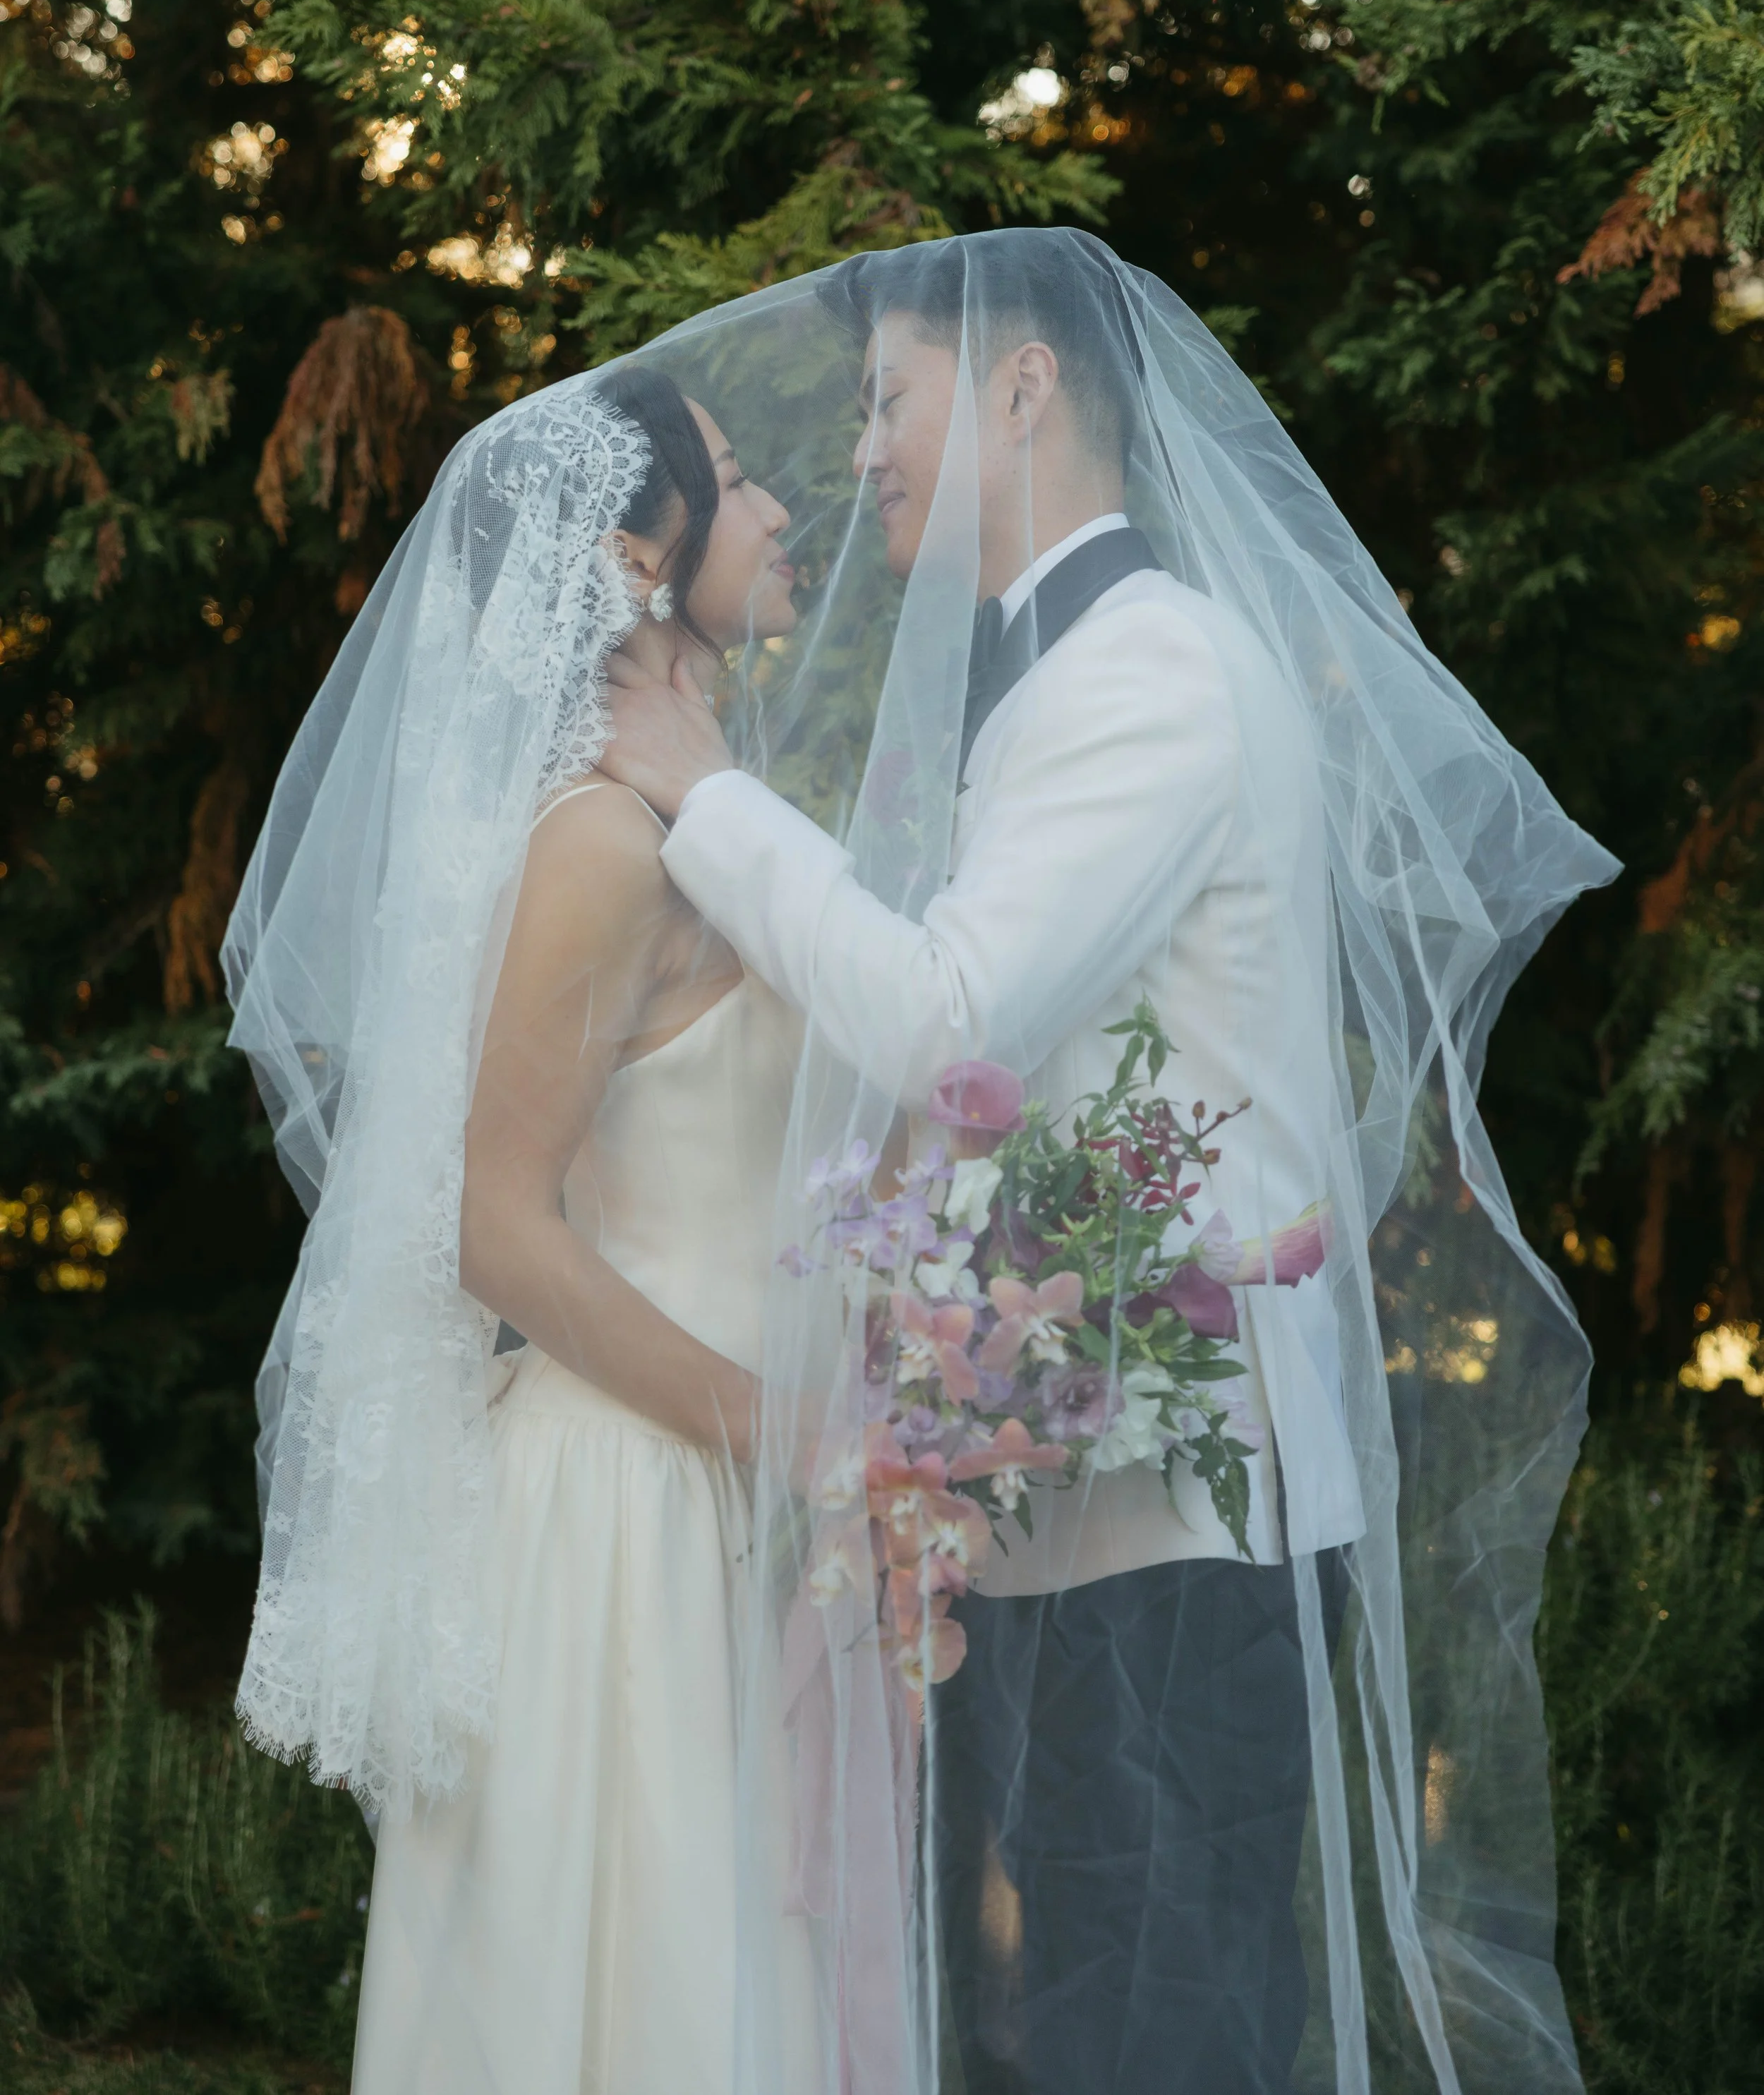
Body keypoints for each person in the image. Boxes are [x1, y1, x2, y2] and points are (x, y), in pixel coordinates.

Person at [594, 228, 1616, 2095]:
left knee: (1141, 2027)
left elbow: (947, 1023)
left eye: (890, 398)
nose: (866, 450)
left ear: (1022, 386)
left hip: (1167, 1514)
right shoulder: (1064, 669)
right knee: (1060, 2013)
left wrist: (703, 794)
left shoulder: (1147, 674)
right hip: (1071, 1480)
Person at [223, 364, 818, 2094]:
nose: (781, 511)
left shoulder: (702, 825)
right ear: (645, 551)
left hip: (720, 1483)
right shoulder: (599, 846)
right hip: (625, 1507)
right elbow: (494, 1225)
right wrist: (771, 1427)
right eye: (737, 478)